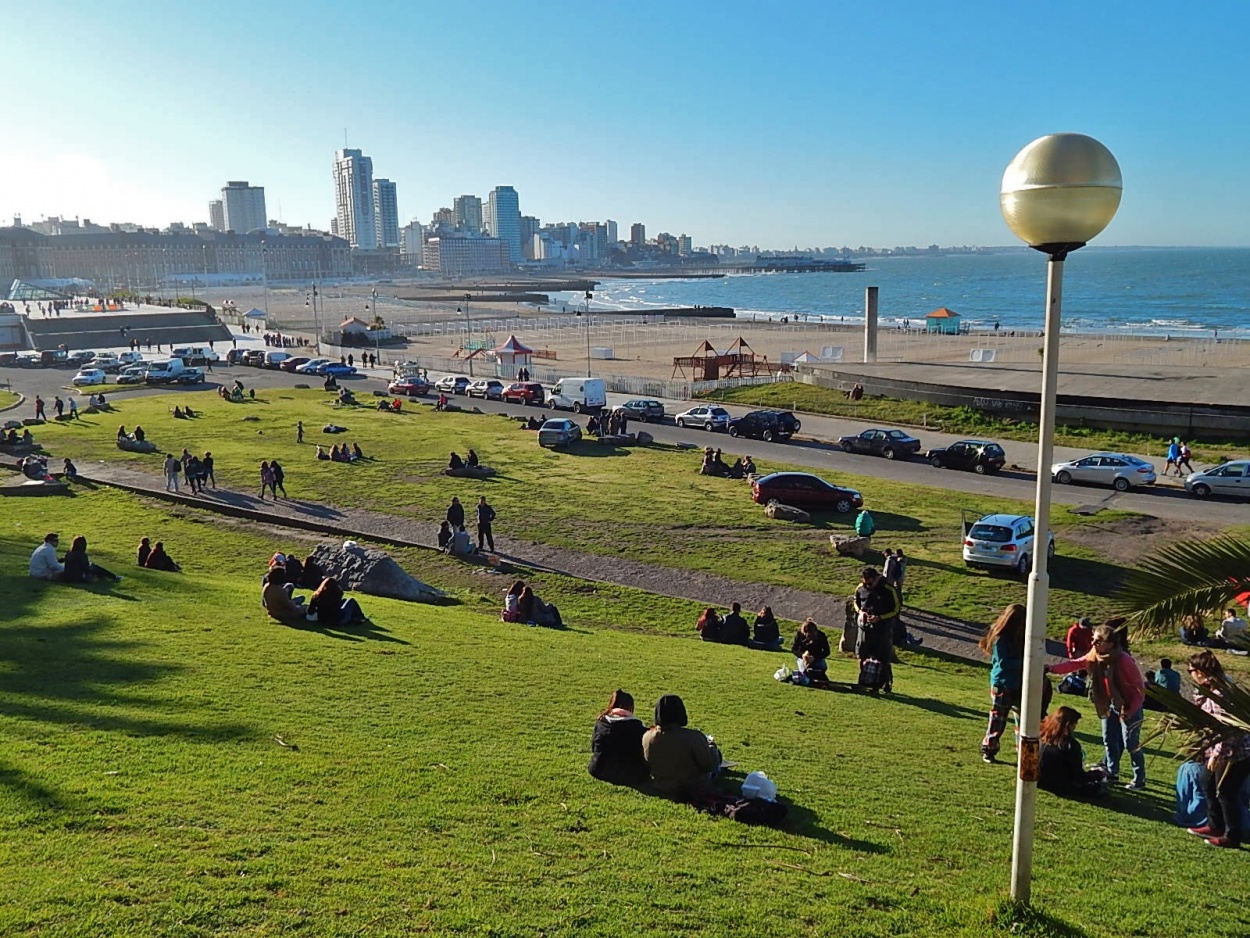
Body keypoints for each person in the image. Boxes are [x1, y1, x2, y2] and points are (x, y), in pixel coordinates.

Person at [1046, 624, 1147, 789]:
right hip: (1107, 703)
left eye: (1098, 641)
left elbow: (1139, 689)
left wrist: (1130, 710)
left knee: (1131, 743)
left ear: (1111, 644)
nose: (1093, 643)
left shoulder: (1124, 660)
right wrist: (1051, 668)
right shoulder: (1095, 655)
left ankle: (1139, 779)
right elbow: (1075, 664)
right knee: (1109, 739)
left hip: (1128, 706)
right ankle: (1112, 771)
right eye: (1093, 639)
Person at [1184, 651, 1250, 847]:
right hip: (1222, 748)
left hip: (1237, 751)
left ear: (1201, 671)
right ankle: (1215, 824)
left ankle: (1232, 835)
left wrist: (1216, 755)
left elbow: (1228, 729)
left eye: (1191, 670)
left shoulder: (1221, 694)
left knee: (1226, 790)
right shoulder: (1209, 689)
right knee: (1207, 780)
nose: (1190, 674)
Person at [642, 695, 722, 800]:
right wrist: (712, 746)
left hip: (662, 785)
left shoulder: (647, 737)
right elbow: (709, 765)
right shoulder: (693, 737)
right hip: (691, 786)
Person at [979, 603, 1027, 764]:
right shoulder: (1000, 638)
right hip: (1003, 683)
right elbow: (1003, 663)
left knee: (1023, 721)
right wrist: (1025, 663)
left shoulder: (1020, 637)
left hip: (1018, 683)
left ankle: (1023, 752)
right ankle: (989, 748)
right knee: (998, 719)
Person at [1038, 706, 1110, 798]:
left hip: (1040, 781)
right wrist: (1096, 775)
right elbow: (1079, 777)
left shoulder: (1042, 737)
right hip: (1062, 786)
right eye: (1074, 724)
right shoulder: (1070, 745)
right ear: (1069, 725)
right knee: (1100, 788)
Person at [853, 567, 900, 692]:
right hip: (865, 628)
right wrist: (860, 612)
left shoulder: (888, 589)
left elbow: (896, 610)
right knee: (862, 654)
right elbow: (856, 602)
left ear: (876, 578)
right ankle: (863, 680)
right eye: (865, 583)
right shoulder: (861, 588)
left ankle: (884, 683)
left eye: (870, 583)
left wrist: (880, 618)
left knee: (882, 657)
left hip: (882, 629)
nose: (867, 585)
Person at [588, 690, 649, 786]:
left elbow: (593, 747)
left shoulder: (601, 722)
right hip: (627, 774)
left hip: (598, 769)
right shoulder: (637, 726)